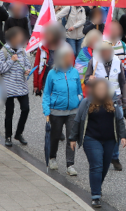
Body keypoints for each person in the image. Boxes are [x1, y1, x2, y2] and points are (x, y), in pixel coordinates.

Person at [69, 78, 126, 208]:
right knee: (96, 164)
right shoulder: (86, 102)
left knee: (105, 166)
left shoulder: (113, 102)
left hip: (110, 140)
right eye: (99, 89)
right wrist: (72, 138)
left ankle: (96, 185)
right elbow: (77, 120)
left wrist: (123, 136)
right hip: (91, 139)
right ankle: (95, 195)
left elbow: (119, 120)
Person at [84, 39, 126, 171]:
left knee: (116, 127)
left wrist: (124, 103)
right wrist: (89, 80)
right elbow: (86, 80)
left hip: (115, 99)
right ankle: (100, 151)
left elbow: (122, 83)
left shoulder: (117, 62)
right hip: (99, 99)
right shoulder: (93, 62)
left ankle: (115, 156)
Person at [42, 42, 82, 176]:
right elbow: (46, 93)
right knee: (55, 136)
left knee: (72, 138)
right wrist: (46, 110)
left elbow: (79, 90)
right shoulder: (52, 74)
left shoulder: (75, 72)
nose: (70, 59)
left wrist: (79, 99)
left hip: (73, 111)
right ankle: (52, 157)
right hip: (56, 112)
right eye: (67, 57)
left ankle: (70, 164)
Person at [0, 27, 32, 147]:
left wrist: (27, 70)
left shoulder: (22, 50)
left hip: (21, 86)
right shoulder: (4, 51)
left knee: (26, 109)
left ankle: (19, 133)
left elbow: (27, 64)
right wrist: (11, 60)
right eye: (18, 37)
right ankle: (8, 136)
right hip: (9, 87)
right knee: (9, 112)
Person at [32, 23, 65, 95]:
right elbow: (36, 66)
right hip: (46, 82)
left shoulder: (64, 47)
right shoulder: (42, 47)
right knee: (48, 103)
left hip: (61, 83)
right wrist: (36, 84)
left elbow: (70, 66)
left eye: (48, 34)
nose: (45, 36)